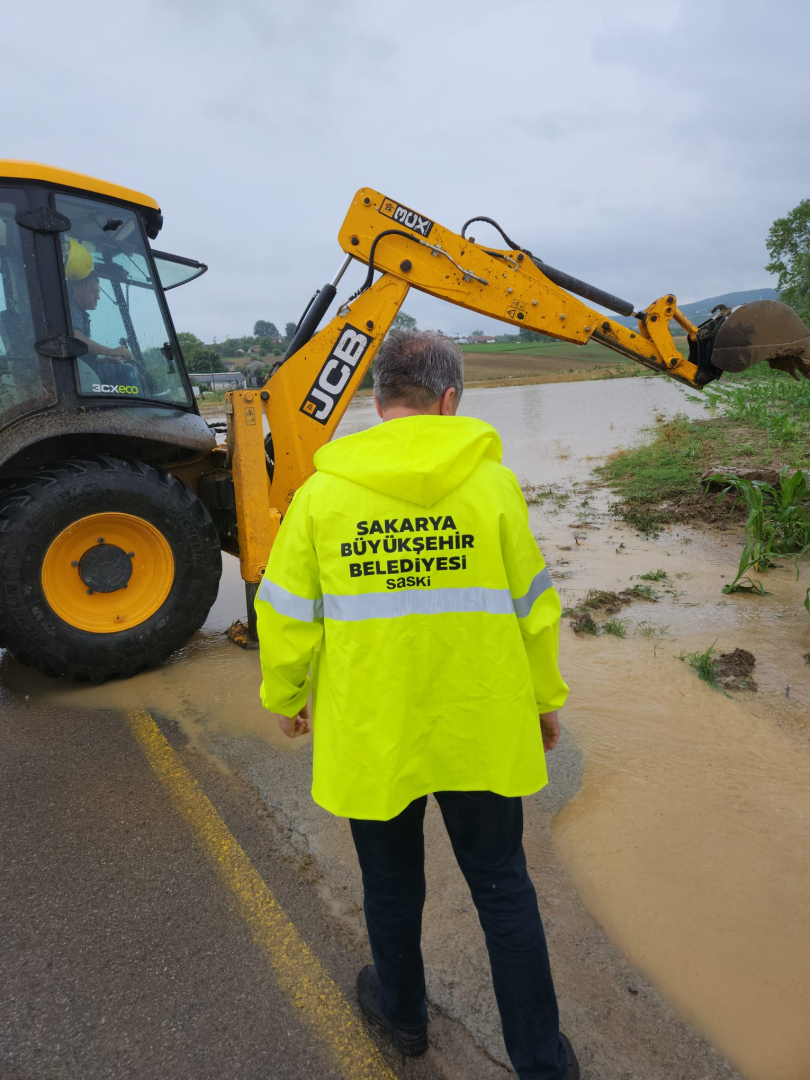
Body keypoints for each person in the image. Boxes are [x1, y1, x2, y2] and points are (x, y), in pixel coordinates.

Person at [255, 330, 580, 1080]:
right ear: (450, 400)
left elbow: (285, 611)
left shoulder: (321, 495)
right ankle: (542, 1062)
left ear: (376, 403)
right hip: (481, 719)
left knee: (391, 883)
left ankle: (402, 1017)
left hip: (375, 729)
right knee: (502, 885)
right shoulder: (493, 486)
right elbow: (535, 607)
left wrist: (287, 694)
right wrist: (543, 700)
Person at [64, 238, 132, 373]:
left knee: (120, 369)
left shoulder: (77, 311)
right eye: (93, 291)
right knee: (127, 373)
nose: (98, 297)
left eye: (98, 292)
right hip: (75, 374)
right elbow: (76, 338)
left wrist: (103, 358)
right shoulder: (72, 308)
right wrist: (112, 351)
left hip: (80, 371)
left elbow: (81, 357)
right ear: (77, 289)